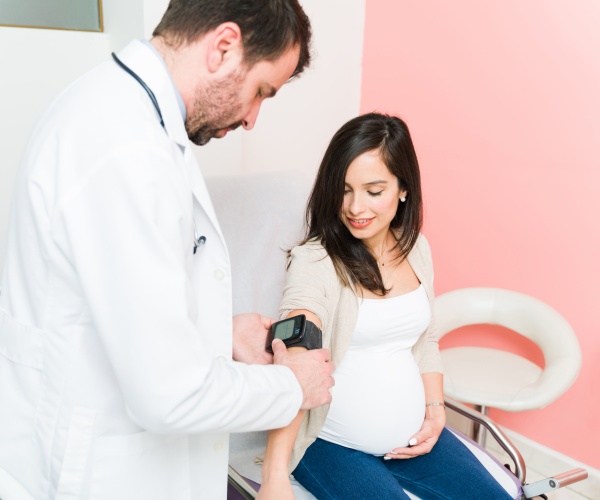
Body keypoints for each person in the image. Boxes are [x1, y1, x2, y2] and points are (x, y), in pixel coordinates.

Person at [0, 1, 335, 499]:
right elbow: (168, 392)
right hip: (96, 474)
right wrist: (294, 388)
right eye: (261, 91)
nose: (252, 118)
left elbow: (117, 317)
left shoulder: (131, 119)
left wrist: (221, 336)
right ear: (223, 47)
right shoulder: (125, 150)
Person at [257, 113, 521, 499]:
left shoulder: (417, 249)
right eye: (343, 189)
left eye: (373, 190)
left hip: (412, 440)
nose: (354, 207)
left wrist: (435, 410)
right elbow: (299, 351)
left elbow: (426, 338)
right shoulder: (315, 260)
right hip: (331, 446)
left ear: (403, 189)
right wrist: (274, 475)